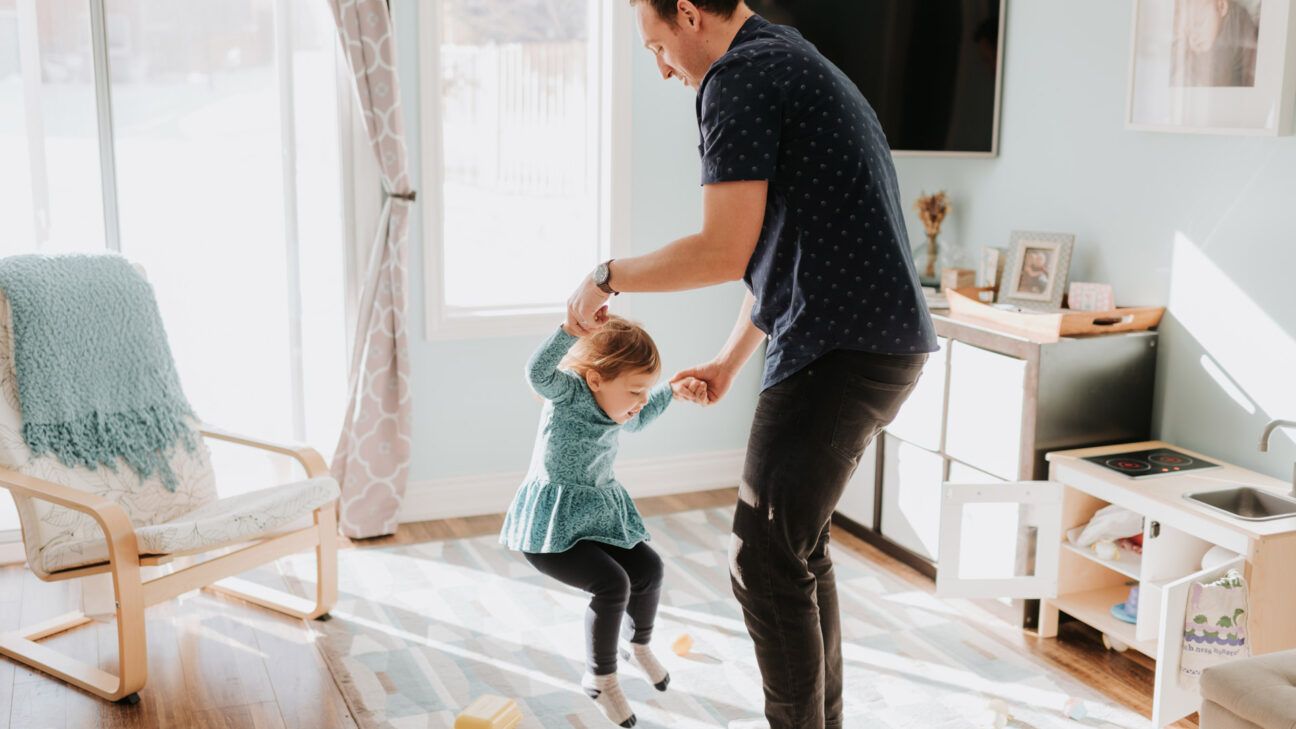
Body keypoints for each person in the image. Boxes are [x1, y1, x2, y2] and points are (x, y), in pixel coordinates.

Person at [565, 2, 937, 726]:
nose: (663, 68)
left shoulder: (737, 78)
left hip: (841, 348)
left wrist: (607, 274)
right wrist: (732, 359)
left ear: (686, 14)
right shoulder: (784, 54)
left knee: (763, 560)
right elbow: (785, 247)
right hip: (872, 342)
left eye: (657, 47)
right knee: (796, 549)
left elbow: (721, 250)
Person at [500, 316, 707, 728]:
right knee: (613, 585)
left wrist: (672, 392)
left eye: (645, 390)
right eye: (635, 390)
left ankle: (638, 643)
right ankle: (600, 677)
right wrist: (571, 330)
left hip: (597, 517)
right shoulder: (569, 394)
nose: (641, 401)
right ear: (595, 380)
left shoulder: (623, 409)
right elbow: (536, 372)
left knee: (649, 569)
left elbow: (644, 416)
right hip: (552, 530)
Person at [1172, 0, 1259, 87]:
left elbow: (1215, 81)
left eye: (1198, 23)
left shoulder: (1238, 27)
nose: (1193, 36)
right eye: (1188, 31)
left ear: (1221, 7)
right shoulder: (1207, 37)